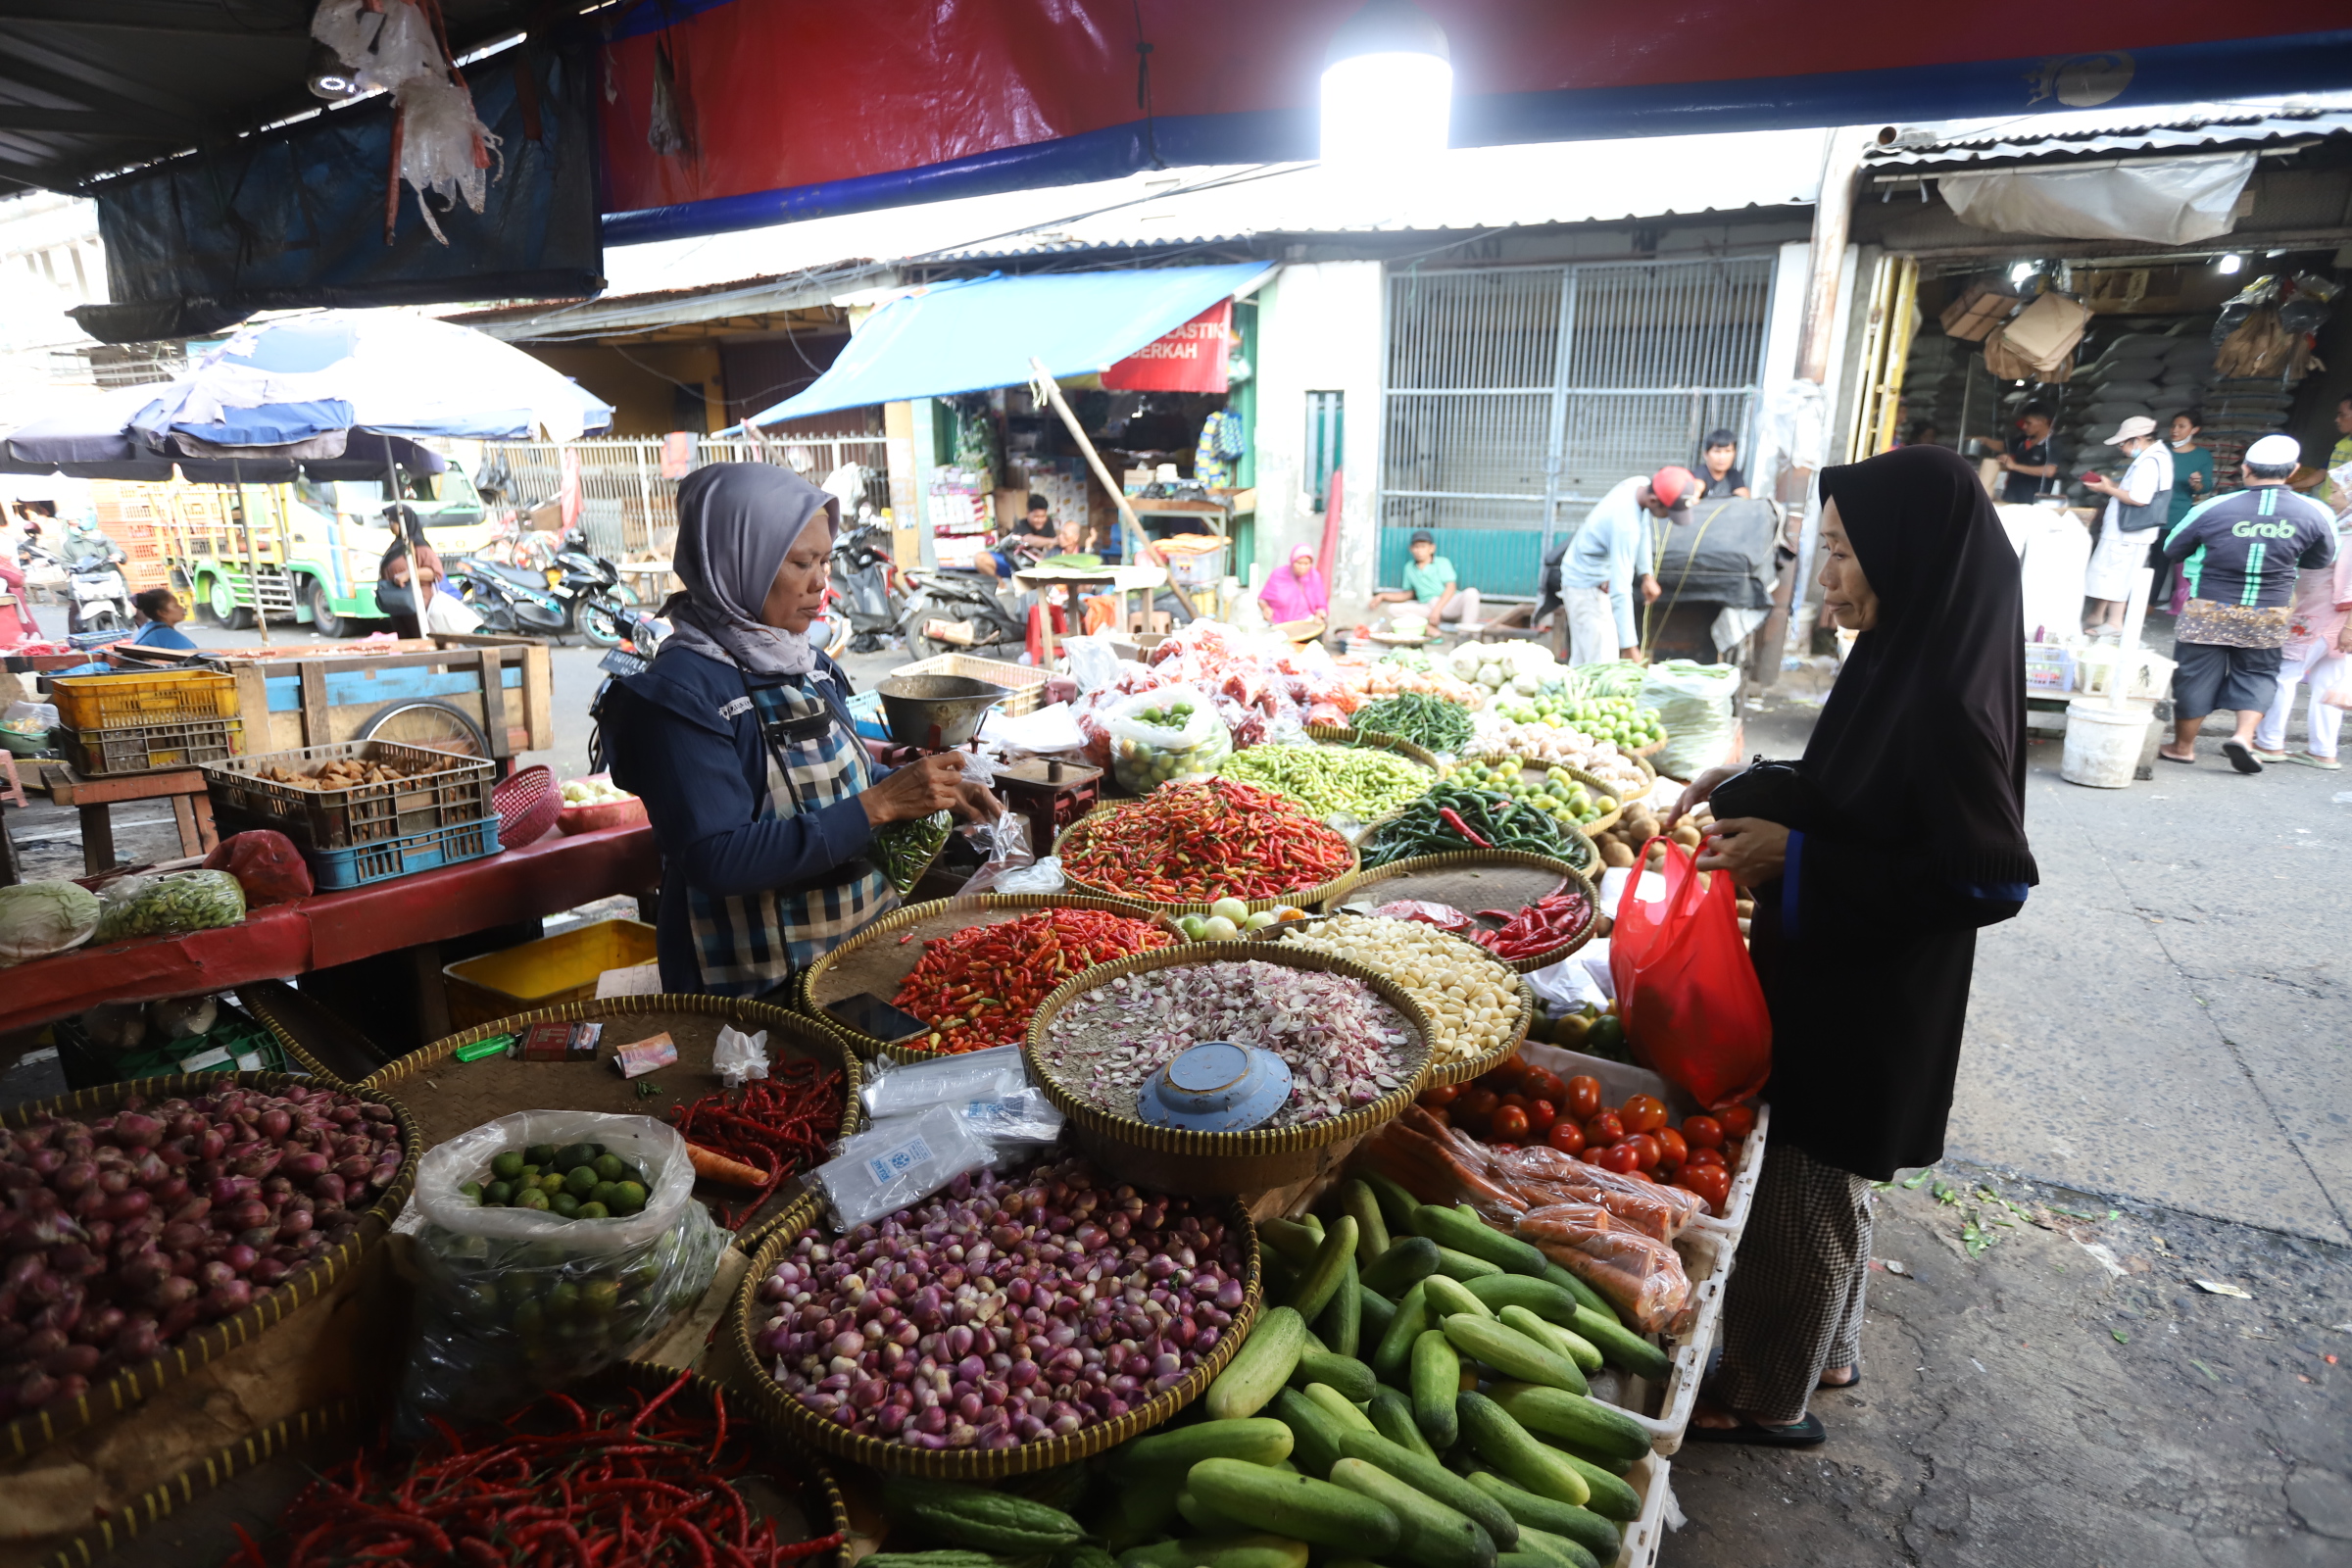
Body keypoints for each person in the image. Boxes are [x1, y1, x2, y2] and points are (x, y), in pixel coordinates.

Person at [1671, 444, 2036, 1446]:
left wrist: (1801, 858)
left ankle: (1763, 1394)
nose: (1821, 575)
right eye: (1820, 547)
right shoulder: (1903, 655)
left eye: (1840, 551)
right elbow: (1865, 796)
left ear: (1906, 556)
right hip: (1847, 966)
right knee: (1832, 1184)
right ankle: (1828, 1345)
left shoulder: (1951, 704)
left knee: (1808, 1176)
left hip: (1872, 992)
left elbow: (1988, 878)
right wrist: (1746, 788)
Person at [597, 464, 1001, 996]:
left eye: (825, 560)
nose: (820, 582)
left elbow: (835, 774)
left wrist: (930, 788)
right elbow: (716, 860)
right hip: (753, 985)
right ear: (738, 562)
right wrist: (879, 805)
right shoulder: (683, 695)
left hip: (852, 949)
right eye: (800, 562)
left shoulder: (803, 659)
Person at [2156, 434, 2340, 773]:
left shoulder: (2213, 507)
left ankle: (2183, 747)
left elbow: (2172, 548)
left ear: (2245, 468)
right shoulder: (2316, 511)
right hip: (2269, 609)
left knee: (2194, 674)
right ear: (2294, 470)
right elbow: (2321, 559)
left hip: (2210, 605)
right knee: (2258, 672)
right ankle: (2243, 736)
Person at [2250, 509, 2352, 770]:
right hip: (2328, 617)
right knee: (2327, 684)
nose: (2334, 495)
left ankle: (2269, 742)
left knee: (2283, 675)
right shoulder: (2342, 527)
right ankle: (2323, 751)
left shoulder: (2348, 534)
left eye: (2341, 488)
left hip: (2322, 617)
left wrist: (2349, 627)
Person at [1559, 468, 1686, 664]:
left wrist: (1646, 575)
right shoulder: (1625, 526)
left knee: (1586, 662)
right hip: (1585, 589)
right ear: (1653, 501)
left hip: (1588, 579)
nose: (1668, 517)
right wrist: (1629, 648)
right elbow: (1621, 589)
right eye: (1668, 512)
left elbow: (1644, 527)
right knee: (1602, 667)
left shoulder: (1638, 484)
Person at [2080, 416, 2173, 635]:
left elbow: (2140, 498)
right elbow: (2134, 490)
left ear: (2137, 439)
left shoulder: (2150, 461)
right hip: (2127, 532)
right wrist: (2111, 484)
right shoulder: (2154, 456)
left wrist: (2106, 489)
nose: (2122, 448)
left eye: (2123, 443)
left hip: (2127, 533)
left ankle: (2114, 622)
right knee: (2109, 573)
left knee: (2115, 576)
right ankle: (2098, 615)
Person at [2156, 410, 2216, 606]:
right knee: (2144, 559)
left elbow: (2205, 486)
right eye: (2173, 426)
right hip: (2149, 512)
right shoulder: (2160, 450)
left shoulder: (2201, 455)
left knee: (2161, 560)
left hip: (2176, 514)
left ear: (2195, 430)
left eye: (2182, 426)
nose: (2175, 430)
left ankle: (2149, 603)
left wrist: (2196, 484)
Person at [1371, 530, 1479, 629]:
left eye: (1423, 546)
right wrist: (1382, 596)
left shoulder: (1442, 562)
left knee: (1472, 593)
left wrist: (1437, 610)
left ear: (1431, 548)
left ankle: (1466, 634)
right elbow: (1408, 594)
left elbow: (1451, 588)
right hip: (1427, 606)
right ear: (1411, 549)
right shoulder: (1409, 567)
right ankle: (1429, 629)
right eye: (1416, 547)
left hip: (1447, 604)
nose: (1419, 550)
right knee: (1393, 609)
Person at [376, 506, 442, 639]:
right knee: (406, 642)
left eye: (392, 522)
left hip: (416, 603)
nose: (390, 525)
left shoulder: (418, 546)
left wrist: (407, 575)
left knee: (419, 640)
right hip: (399, 604)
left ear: (403, 522)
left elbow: (435, 572)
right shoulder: (397, 545)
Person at [1986, 404, 2062, 505]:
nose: (2024, 426)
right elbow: (2003, 446)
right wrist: (1984, 441)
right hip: (2010, 497)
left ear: (2043, 421)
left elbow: (2049, 471)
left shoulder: (2053, 443)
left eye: (2028, 423)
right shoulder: (2024, 440)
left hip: (2032, 503)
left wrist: (2014, 466)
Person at [976, 494, 1059, 583]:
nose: (1040, 520)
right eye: (1036, 517)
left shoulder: (1048, 523)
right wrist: (1054, 540)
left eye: (1043, 516)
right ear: (1027, 513)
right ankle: (1000, 585)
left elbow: (1052, 547)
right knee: (980, 558)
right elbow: (1029, 539)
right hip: (1011, 562)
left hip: (1032, 565)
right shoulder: (1021, 524)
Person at [1257, 542, 1329, 629]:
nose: (1302, 567)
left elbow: (1321, 605)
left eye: (1306, 564)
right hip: (1278, 625)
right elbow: (1262, 600)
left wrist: (1319, 615)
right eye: (1299, 563)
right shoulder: (1278, 574)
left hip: (1305, 625)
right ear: (1292, 561)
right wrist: (1266, 609)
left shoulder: (1314, 577)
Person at [129, 587, 197, 650]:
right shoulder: (167, 635)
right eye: (176, 605)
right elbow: (197, 656)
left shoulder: (148, 628)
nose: (181, 607)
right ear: (162, 613)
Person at [1695, 430, 1751, 498]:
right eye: (1717, 451)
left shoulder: (1734, 475)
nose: (1722, 457)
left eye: (1728, 451)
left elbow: (1744, 499)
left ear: (1735, 454)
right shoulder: (1700, 473)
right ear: (1706, 454)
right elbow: (1696, 490)